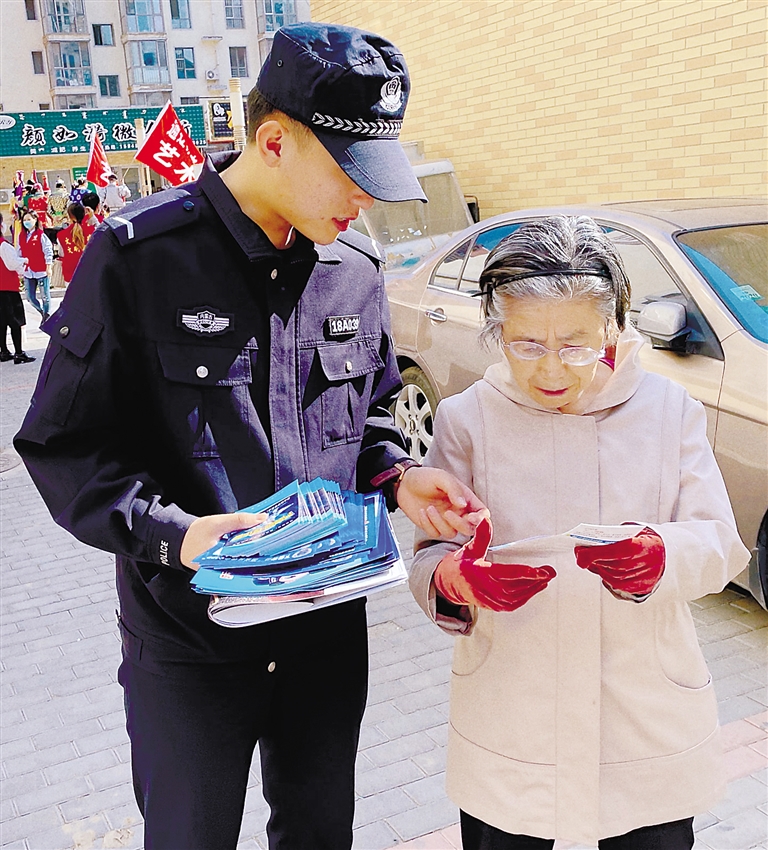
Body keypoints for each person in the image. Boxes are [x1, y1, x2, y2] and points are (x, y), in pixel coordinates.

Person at [14, 23, 487, 850]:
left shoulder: (352, 269)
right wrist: (177, 534)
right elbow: (64, 446)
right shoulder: (138, 257)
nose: (365, 201)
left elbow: (372, 416)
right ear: (273, 142)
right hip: (190, 641)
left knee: (319, 834)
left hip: (324, 636)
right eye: (351, 175)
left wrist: (399, 477)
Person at [408, 216, 750, 850]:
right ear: (496, 332)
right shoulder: (467, 419)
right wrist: (456, 579)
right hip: (515, 716)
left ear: (611, 328)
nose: (550, 369)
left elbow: (719, 542)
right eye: (526, 344)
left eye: (575, 344)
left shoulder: (668, 410)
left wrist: (662, 555)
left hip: (642, 719)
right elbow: (432, 554)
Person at [0, 212, 35, 364]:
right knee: (15, 321)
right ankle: (19, 352)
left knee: (2, 322)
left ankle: (3, 350)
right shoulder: (3, 245)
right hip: (8, 287)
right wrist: (24, 260)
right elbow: (12, 264)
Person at [17, 209, 52, 322]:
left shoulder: (41, 235)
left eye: (29, 219)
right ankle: (42, 312)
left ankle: (46, 315)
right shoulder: (21, 236)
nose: (26, 222)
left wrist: (48, 267)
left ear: (35, 220)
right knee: (30, 297)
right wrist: (19, 268)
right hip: (28, 271)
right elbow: (19, 252)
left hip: (41, 270)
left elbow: (48, 251)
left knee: (45, 297)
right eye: (24, 220)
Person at [57, 203, 94, 285]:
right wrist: (92, 218)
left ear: (69, 216)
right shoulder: (92, 231)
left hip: (70, 273)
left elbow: (61, 254)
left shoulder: (61, 235)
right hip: (89, 271)